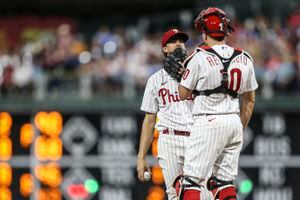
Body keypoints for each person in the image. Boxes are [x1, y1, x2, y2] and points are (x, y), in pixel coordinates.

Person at [175, 7, 258, 200]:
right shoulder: (245, 58)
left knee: (190, 185)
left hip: (208, 122)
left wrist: (181, 77)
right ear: (224, 31)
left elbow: (181, 94)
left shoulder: (198, 57)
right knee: (223, 184)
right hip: (233, 122)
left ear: (204, 32)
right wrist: (240, 126)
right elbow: (250, 100)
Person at [136, 28, 212, 200]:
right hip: (170, 140)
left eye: (181, 40)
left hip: (197, 138)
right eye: (173, 41)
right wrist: (141, 157)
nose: (179, 43)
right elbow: (149, 120)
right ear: (164, 49)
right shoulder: (155, 80)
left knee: (206, 195)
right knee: (175, 195)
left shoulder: (198, 73)